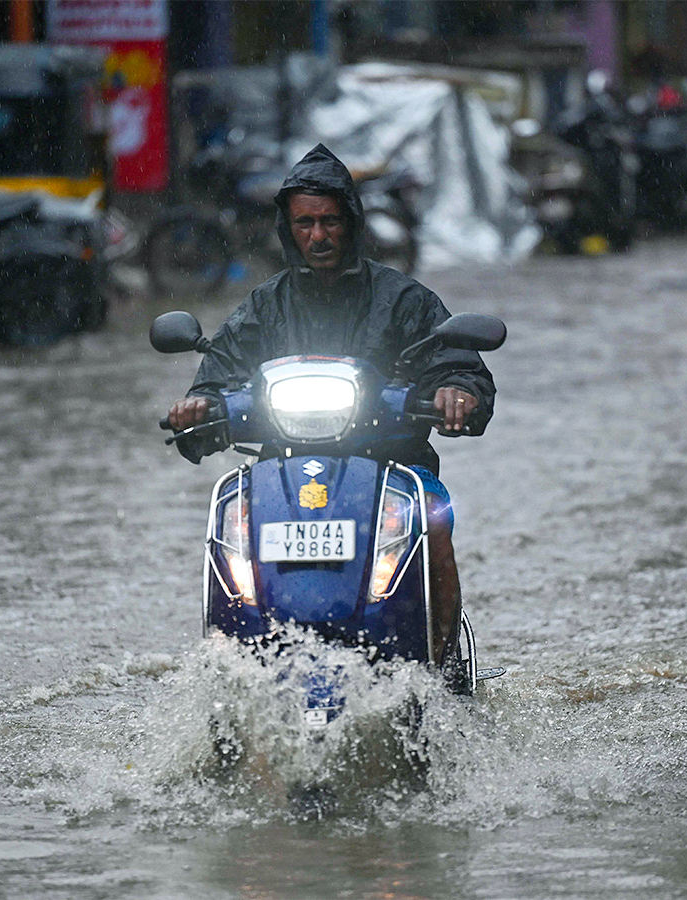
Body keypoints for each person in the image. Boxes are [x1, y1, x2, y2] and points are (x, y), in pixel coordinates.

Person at [167, 143, 495, 666]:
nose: (318, 236)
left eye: (329, 221)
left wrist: (458, 391)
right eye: (305, 223)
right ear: (287, 229)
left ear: (352, 222)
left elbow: (458, 365)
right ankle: (229, 673)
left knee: (433, 520)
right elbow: (219, 374)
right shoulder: (264, 305)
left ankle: (445, 663)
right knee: (230, 530)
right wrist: (198, 406)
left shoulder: (404, 299)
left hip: (393, 469)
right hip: (281, 472)